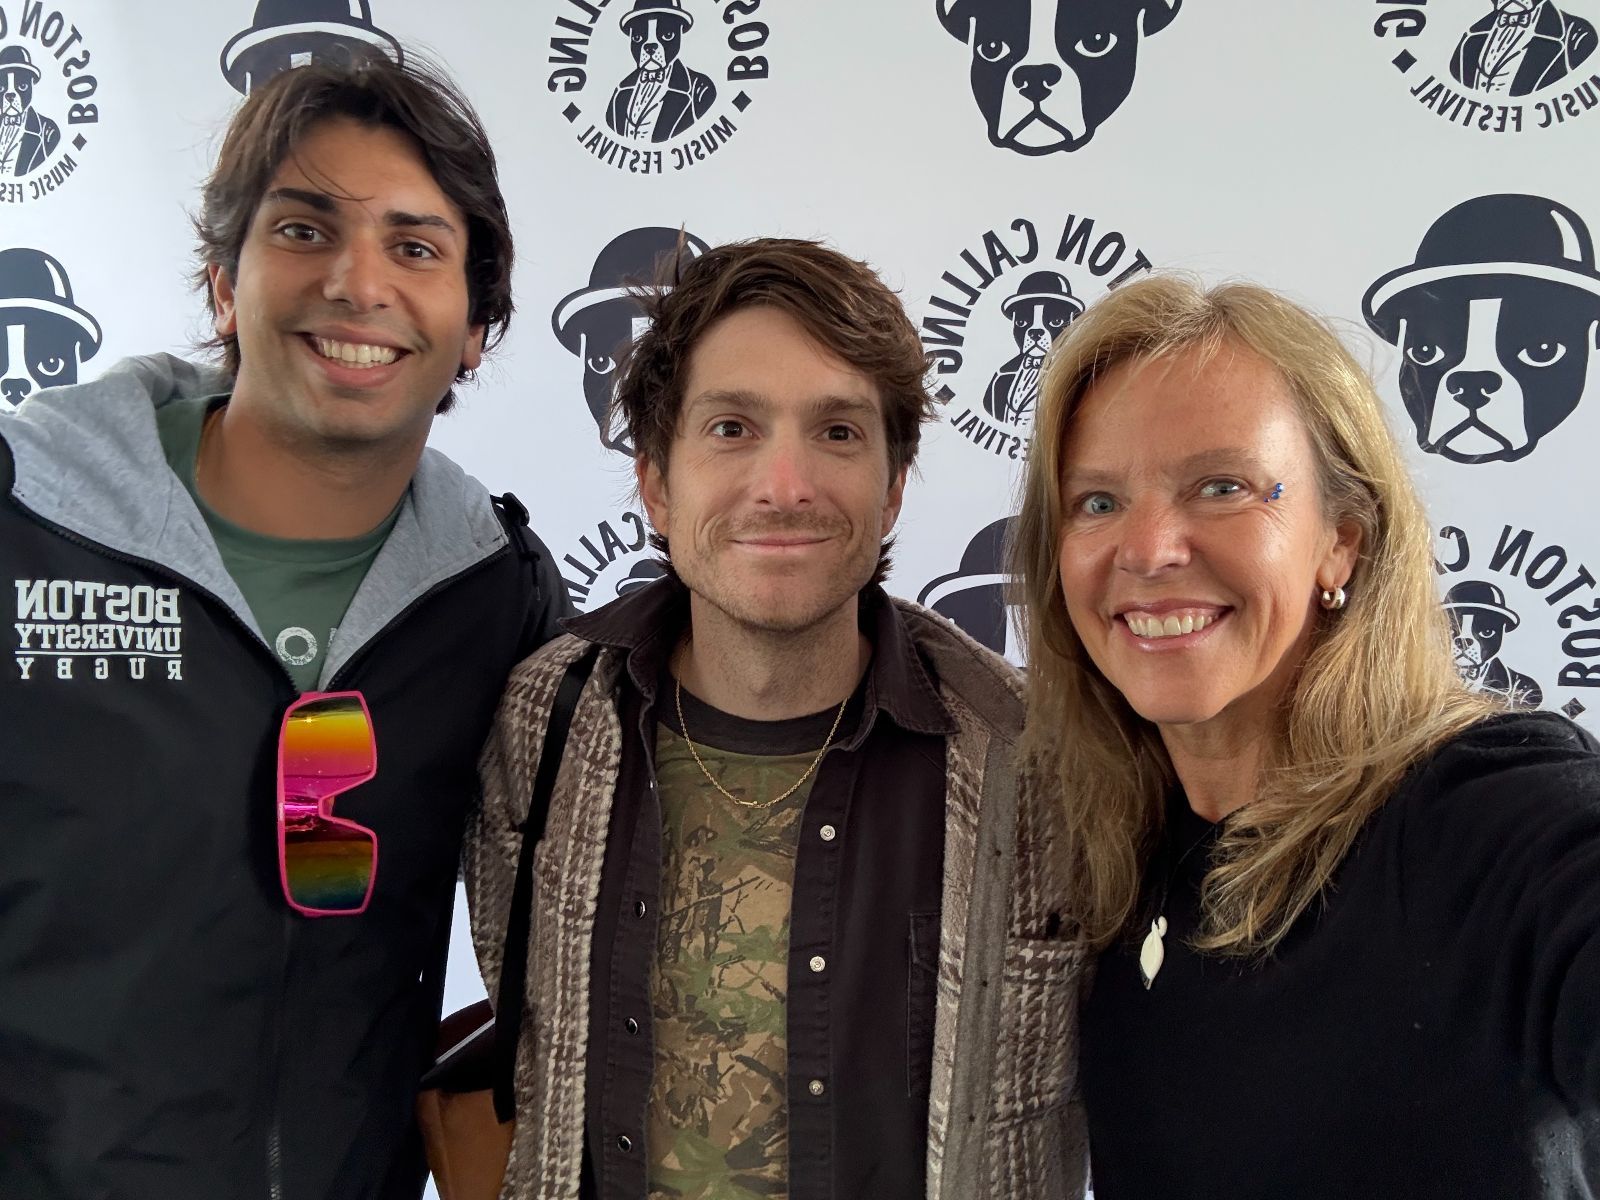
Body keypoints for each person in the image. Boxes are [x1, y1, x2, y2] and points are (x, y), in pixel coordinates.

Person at [0, 52, 568, 1200]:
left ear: (475, 329)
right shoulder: (26, 523)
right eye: (305, 230)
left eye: (416, 248)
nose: (357, 283)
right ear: (224, 286)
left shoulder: (498, 596)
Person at [467, 238, 1087, 1200]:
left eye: (837, 432)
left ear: (893, 487)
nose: (786, 485)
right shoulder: (545, 722)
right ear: (656, 484)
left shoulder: (1028, 759)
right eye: (731, 428)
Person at [1011, 275, 1600, 1198]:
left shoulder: (1478, 811)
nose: (1150, 549)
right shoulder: (1125, 856)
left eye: (1222, 487)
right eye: (1097, 502)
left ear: (1342, 541)